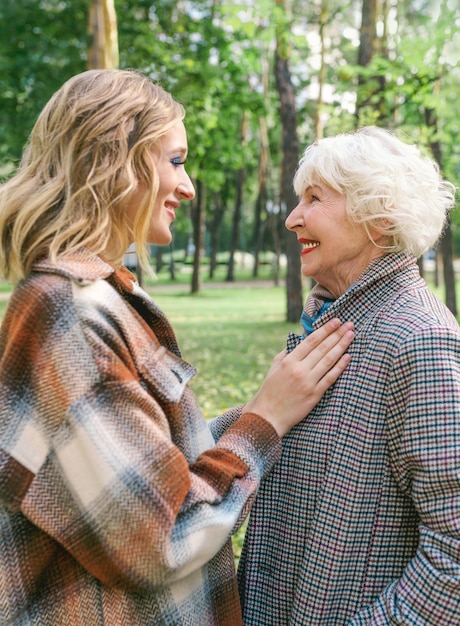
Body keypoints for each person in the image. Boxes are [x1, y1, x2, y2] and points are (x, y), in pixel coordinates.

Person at [0, 69, 354, 626]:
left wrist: (270, 409)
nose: (188, 187)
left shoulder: (93, 298)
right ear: (114, 160)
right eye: (176, 160)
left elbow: (138, 465)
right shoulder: (71, 315)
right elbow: (160, 540)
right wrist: (261, 423)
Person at [230, 126, 460, 624]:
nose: (294, 218)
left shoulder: (418, 339)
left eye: (314, 199)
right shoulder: (336, 324)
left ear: (378, 217)